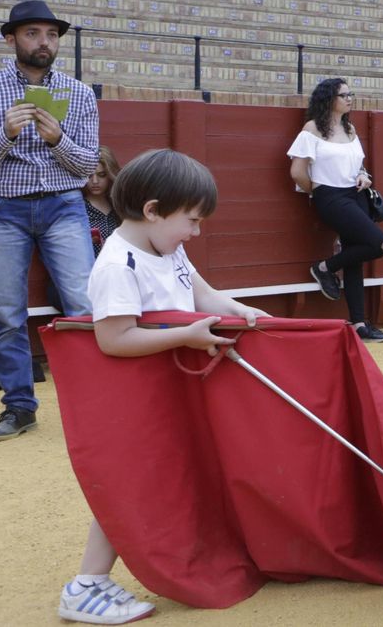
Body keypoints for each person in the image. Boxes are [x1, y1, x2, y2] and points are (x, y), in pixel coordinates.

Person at [57, 148, 269, 624]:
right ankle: (87, 583)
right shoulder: (117, 265)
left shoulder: (166, 246)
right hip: (139, 399)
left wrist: (239, 309)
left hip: (172, 388)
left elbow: (202, 292)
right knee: (130, 485)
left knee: (167, 478)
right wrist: (188, 335)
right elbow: (113, 339)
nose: (195, 232)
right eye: (191, 221)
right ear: (152, 211)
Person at [0, 0, 99, 442]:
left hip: (63, 205)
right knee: (6, 313)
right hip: (3, 208)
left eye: (52, 35)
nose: (45, 42)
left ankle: (98, 402)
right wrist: (6, 133)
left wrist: (57, 139)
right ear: (11, 39)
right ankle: (19, 408)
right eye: (33, 34)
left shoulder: (78, 94)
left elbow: (85, 167)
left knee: (84, 306)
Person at [288, 78, 383, 343]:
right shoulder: (311, 129)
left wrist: (364, 175)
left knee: (354, 259)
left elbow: (357, 165)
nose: (349, 98)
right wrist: (318, 191)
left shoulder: (350, 128)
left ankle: (358, 324)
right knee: (382, 244)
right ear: (329, 100)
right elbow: (297, 171)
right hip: (330, 196)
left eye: (350, 94)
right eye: (344, 95)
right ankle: (324, 267)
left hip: (355, 195)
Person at [84, 146, 122, 254]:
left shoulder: (118, 204)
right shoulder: (79, 207)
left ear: (110, 175)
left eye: (102, 175)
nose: (95, 181)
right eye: (89, 175)